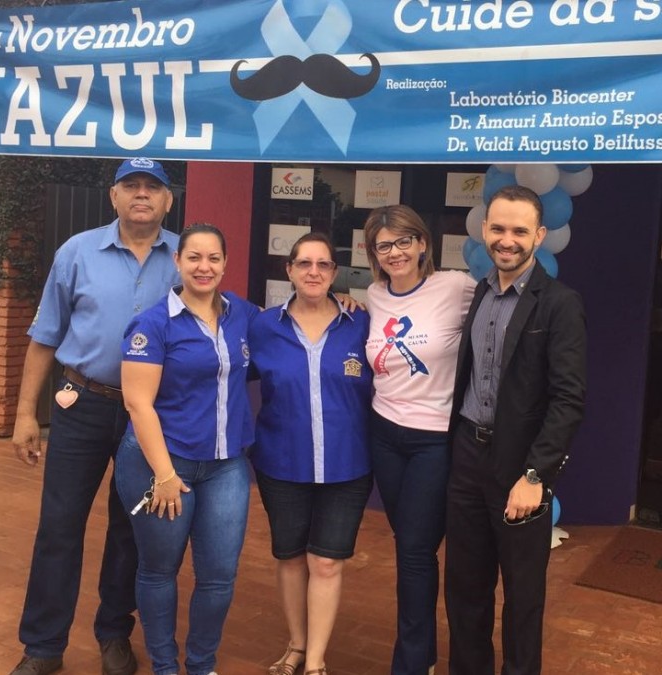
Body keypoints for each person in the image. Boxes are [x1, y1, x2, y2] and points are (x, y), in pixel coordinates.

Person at [9, 158, 180, 675]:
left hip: (148, 416)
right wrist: (25, 414)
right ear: (114, 196)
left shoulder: (184, 258)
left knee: (130, 529)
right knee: (59, 526)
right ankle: (43, 647)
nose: (142, 194)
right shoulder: (77, 252)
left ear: (168, 200)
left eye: (152, 187)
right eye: (131, 185)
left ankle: (114, 634)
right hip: (80, 404)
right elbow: (45, 336)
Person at [444, 185, 588, 675]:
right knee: (465, 588)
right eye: (499, 228)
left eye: (520, 231)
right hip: (467, 457)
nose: (507, 240)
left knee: (523, 596)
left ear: (539, 236)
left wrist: (535, 475)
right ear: (485, 230)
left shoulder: (560, 304)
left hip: (520, 467)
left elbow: (568, 399)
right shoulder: (480, 292)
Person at [114, 223, 259, 675]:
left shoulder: (242, 314)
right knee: (159, 570)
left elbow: (295, 318)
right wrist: (164, 475)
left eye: (213, 258)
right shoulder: (154, 323)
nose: (204, 267)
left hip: (225, 466)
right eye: (194, 257)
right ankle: (164, 667)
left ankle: (201, 666)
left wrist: (342, 300)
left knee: (219, 576)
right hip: (162, 463)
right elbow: (138, 403)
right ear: (177, 261)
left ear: (225, 263)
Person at [249, 232, 374, 675]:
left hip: (347, 464)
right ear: (289, 270)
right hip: (282, 462)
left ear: (335, 272)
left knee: (325, 561)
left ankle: (316, 660)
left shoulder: (361, 323)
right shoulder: (263, 327)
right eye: (304, 263)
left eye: (323, 264)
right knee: (289, 557)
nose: (314, 272)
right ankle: (297, 645)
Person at [362, 205, 475, 675]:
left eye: (404, 241)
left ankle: (410, 663)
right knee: (410, 544)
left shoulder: (456, 287)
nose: (395, 253)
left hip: (434, 440)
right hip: (384, 434)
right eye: (384, 245)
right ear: (373, 254)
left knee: (413, 550)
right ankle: (422, 654)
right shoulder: (373, 295)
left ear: (423, 243)